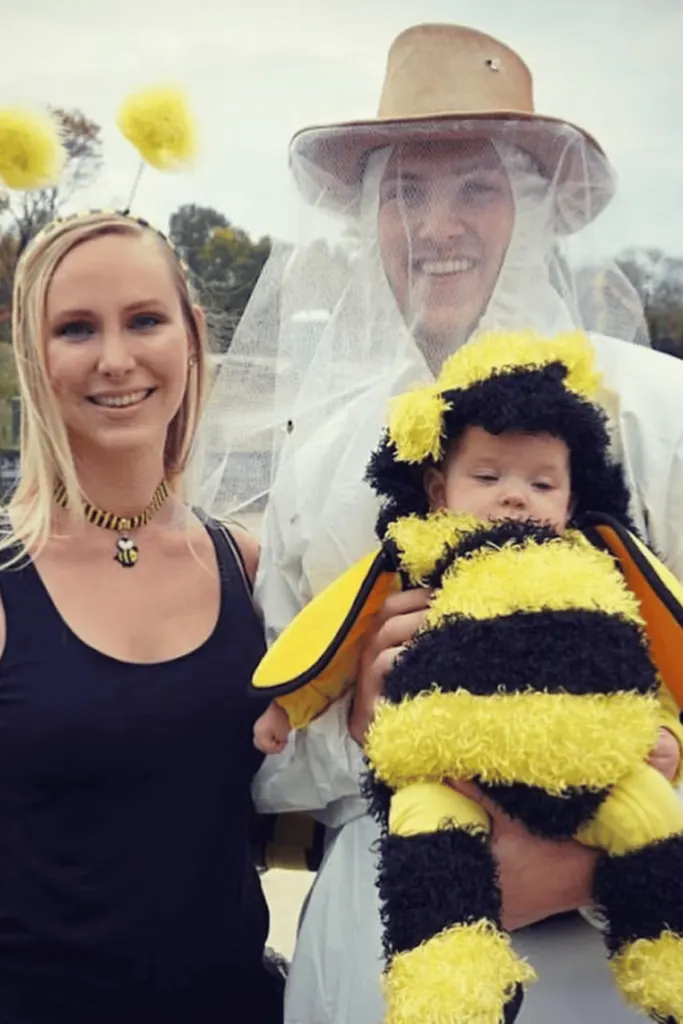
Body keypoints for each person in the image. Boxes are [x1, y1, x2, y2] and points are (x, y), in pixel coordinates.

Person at [196, 23, 683, 1024]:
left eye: (474, 187)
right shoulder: (322, 449)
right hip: (383, 927)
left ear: (535, 208)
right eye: (403, 193)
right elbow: (273, 744)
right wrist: (360, 729)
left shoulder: (653, 411)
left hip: (609, 961)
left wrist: (591, 850)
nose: (435, 225)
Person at [0, 209, 282, 1023]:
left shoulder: (251, 568)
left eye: (145, 320)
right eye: (77, 328)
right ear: (34, 356)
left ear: (191, 339)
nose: (116, 359)